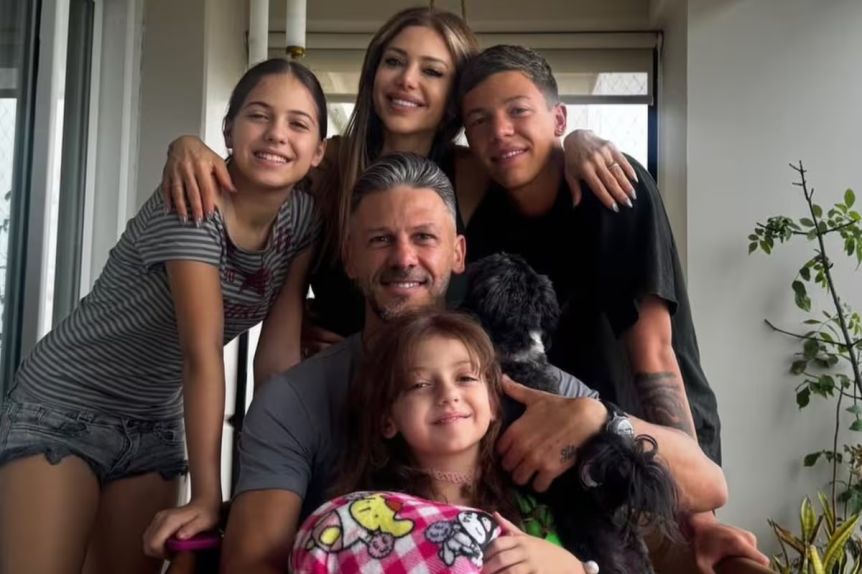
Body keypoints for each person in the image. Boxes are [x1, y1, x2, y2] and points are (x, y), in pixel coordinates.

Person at [218, 152, 727, 573]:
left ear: (459, 253)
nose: (404, 258)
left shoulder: (523, 380)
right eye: (380, 240)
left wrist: (600, 420)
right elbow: (249, 564)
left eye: (424, 237)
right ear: (350, 257)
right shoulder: (294, 401)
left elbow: (707, 486)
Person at [158, 7, 639, 365]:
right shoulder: (327, 164)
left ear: (455, 100)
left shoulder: (473, 172)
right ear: (373, 75)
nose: (407, 80)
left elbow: (534, 154)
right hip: (337, 393)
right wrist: (186, 145)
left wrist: (579, 140)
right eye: (394, 62)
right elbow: (249, 171)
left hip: (442, 404)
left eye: (431, 71)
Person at [0, 58, 327, 574]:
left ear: (318, 151)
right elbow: (202, 353)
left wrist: (266, 478)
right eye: (258, 116)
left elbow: (276, 359)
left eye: (298, 124)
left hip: (155, 423)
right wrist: (207, 494)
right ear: (228, 129)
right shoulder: (194, 201)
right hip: (62, 406)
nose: (276, 135)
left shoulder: (303, 220)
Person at [455, 44, 769, 572]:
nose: (500, 131)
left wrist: (698, 518)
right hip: (554, 460)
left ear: (558, 119)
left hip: (642, 445)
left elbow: (656, 355)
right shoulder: (483, 220)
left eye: (518, 111)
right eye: (480, 120)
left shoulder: (612, 189)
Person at [289, 309, 677, 574]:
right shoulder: (366, 522)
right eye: (420, 384)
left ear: (493, 403)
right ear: (387, 419)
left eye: (465, 378)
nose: (448, 395)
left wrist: (572, 568)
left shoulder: (539, 514)